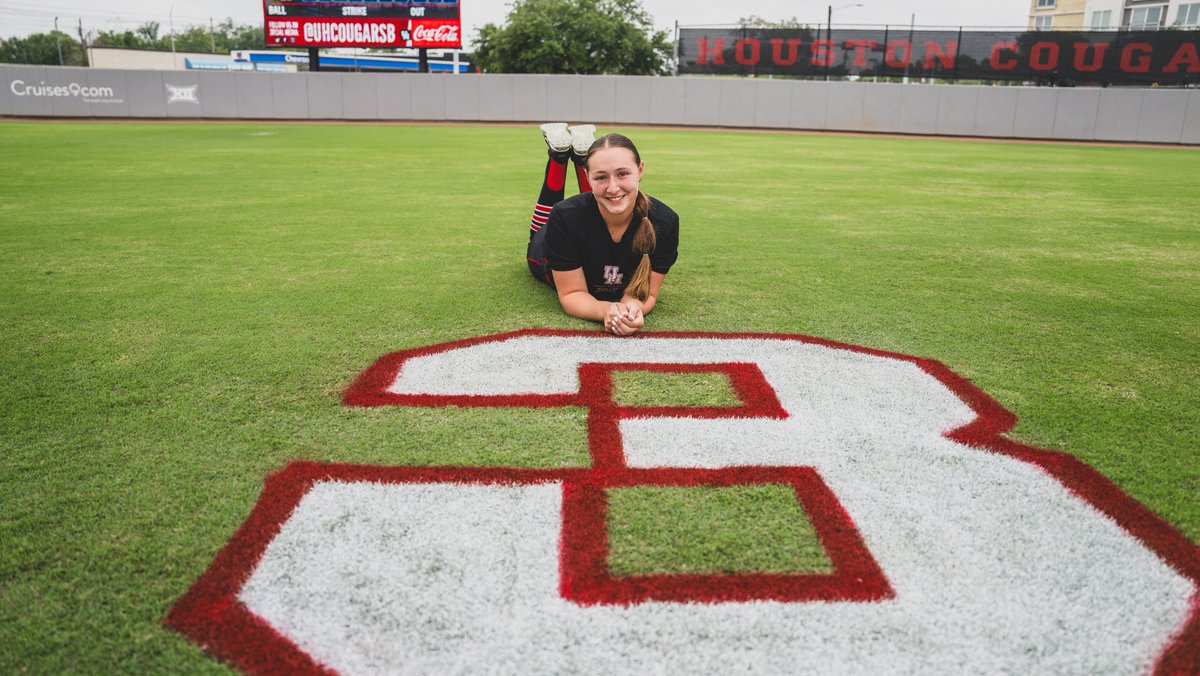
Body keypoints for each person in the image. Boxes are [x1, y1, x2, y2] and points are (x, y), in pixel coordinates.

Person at [525, 124, 679, 336]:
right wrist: (606, 310)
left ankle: (579, 158)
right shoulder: (564, 217)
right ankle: (557, 157)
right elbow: (572, 294)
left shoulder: (664, 221)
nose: (614, 186)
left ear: (640, 170)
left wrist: (629, 312)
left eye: (623, 173)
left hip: (587, 216)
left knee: (605, 199)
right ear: (587, 178)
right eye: (600, 177)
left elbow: (647, 294)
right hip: (543, 248)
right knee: (551, 219)